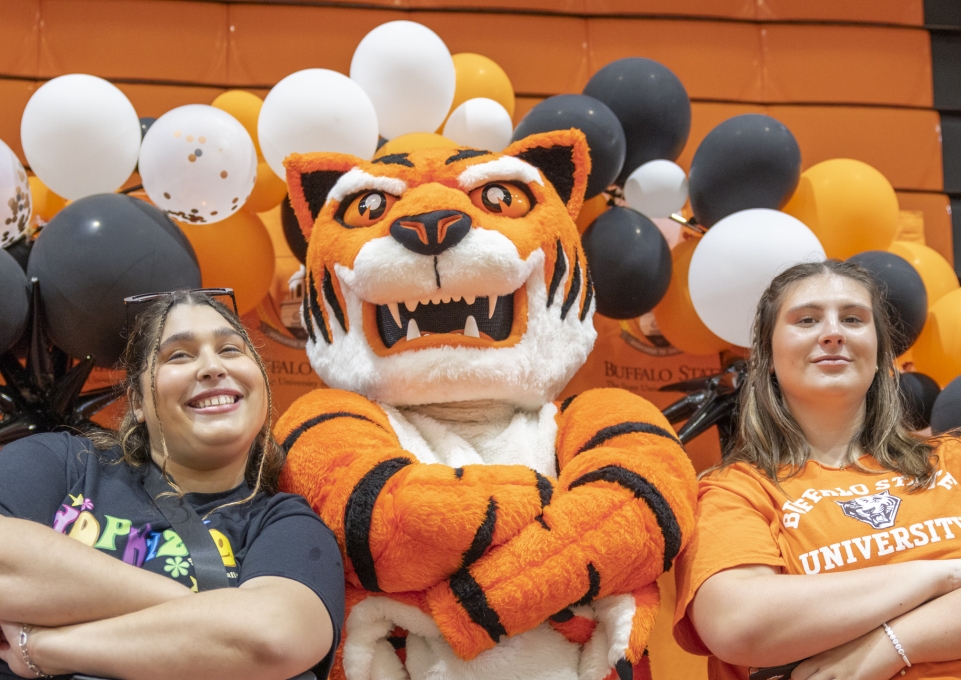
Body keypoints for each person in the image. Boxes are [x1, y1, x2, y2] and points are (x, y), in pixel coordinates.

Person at [0, 289, 344, 680]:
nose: (212, 367)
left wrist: (48, 648)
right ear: (137, 402)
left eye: (231, 350)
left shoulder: (288, 525)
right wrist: (220, 616)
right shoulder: (63, 462)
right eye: (179, 355)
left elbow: (271, 639)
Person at [673, 260, 961, 680]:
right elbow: (739, 622)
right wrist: (942, 574)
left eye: (852, 318)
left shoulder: (951, 459)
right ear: (768, 357)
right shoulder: (734, 491)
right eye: (807, 320)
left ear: (881, 355)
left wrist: (894, 644)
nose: (833, 333)